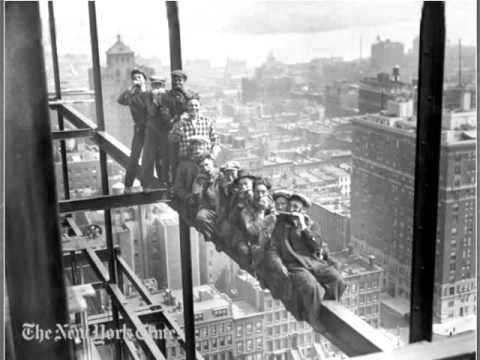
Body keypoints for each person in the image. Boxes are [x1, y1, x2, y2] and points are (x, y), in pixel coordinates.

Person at [117, 68, 149, 193]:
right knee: (134, 157)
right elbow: (120, 100)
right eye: (134, 78)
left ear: (144, 80)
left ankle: (145, 185)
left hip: (151, 130)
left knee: (148, 157)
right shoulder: (132, 96)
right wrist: (130, 90)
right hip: (139, 129)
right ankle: (128, 185)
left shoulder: (150, 94)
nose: (136, 80)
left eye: (139, 78)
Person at [164, 70, 199, 180]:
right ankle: (175, 185)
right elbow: (165, 113)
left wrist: (184, 93)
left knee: (192, 158)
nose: (177, 82)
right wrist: (175, 121)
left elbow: (195, 105)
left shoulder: (190, 94)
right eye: (175, 80)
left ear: (184, 81)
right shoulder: (167, 96)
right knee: (174, 159)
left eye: (180, 80)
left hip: (189, 131)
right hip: (175, 131)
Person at [170, 96, 221, 167]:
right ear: (187, 107)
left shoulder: (207, 121)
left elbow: (216, 140)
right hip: (186, 160)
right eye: (191, 105)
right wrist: (179, 124)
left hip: (204, 161)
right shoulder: (181, 122)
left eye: (196, 105)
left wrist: (213, 155)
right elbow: (173, 139)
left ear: (200, 107)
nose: (194, 108)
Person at [141, 75, 170, 189]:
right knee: (149, 156)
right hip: (152, 129)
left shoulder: (167, 96)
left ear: (163, 85)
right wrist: (155, 101)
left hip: (164, 130)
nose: (157, 88)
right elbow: (152, 112)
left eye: (159, 85)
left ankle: (163, 181)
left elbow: (167, 114)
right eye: (155, 85)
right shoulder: (148, 95)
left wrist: (162, 102)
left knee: (163, 156)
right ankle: (146, 183)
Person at [191, 154, 218, 239]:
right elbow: (198, 200)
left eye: (206, 165)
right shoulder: (201, 180)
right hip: (212, 210)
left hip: (224, 209)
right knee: (200, 217)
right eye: (202, 166)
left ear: (212, 163)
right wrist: (198, 185)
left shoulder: (220, 176)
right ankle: (214, 237)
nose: (205, 168)